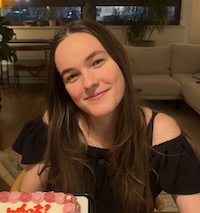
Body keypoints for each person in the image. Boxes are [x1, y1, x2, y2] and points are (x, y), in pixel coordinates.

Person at [12, 19, 200, 213]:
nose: (89, 83)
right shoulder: (52, 125)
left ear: (120, 60)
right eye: (72, 76)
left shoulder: (161, 133)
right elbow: (27, 204)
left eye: (97, 62)